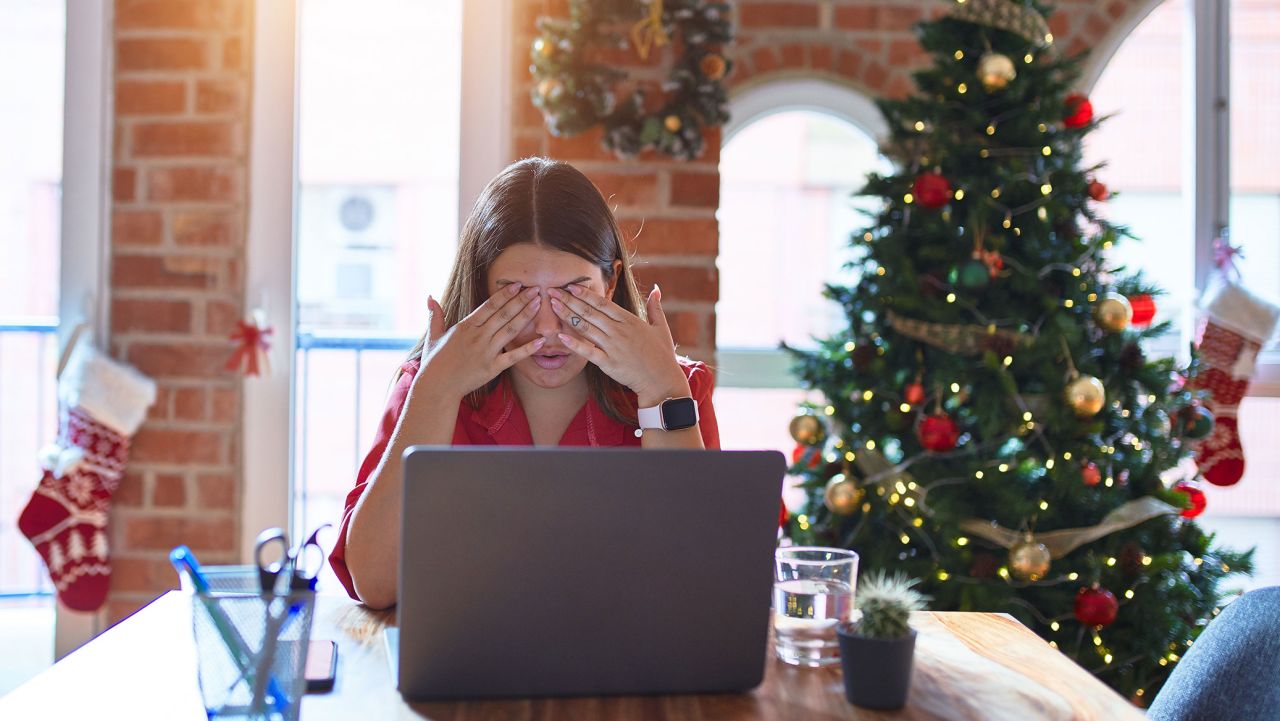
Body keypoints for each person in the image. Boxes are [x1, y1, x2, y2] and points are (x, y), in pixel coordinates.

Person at [329, 157, 720, 609]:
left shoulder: (677, 389)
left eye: (574, 294)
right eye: (518, 297)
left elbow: (701, 580)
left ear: (610, 283)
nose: (548, 331)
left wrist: (661, 391)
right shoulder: (430, 385)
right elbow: (375, 583)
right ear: (481, 291)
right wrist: (435, 390)